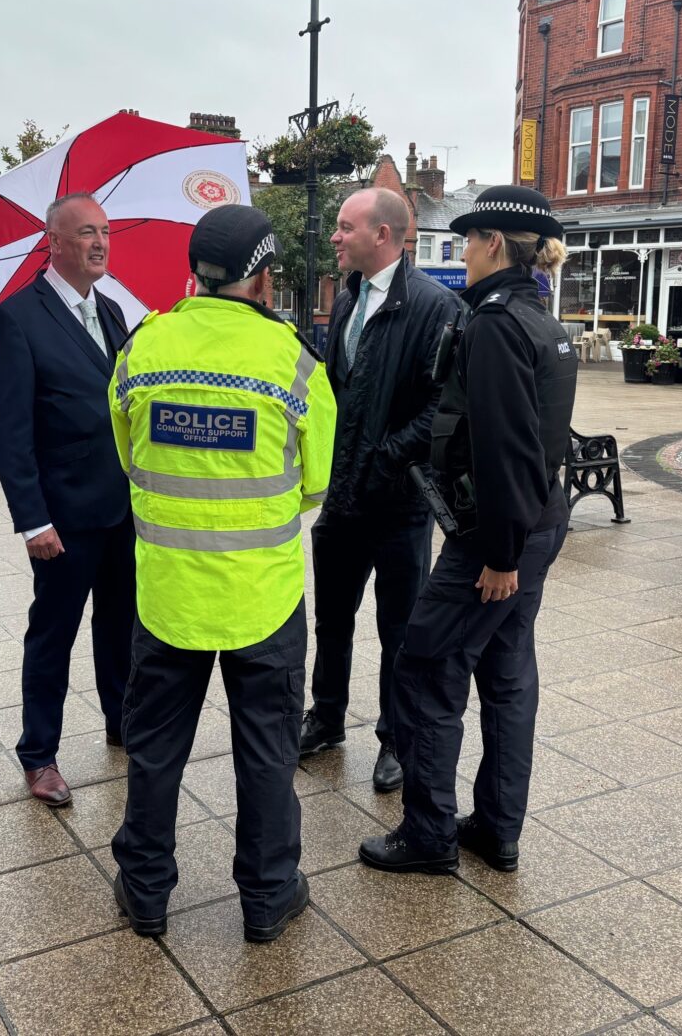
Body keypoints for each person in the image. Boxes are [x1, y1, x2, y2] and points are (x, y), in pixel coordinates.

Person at [109, 204, 336, 943]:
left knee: (153, 752)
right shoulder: (293, 361)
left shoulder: (143, 347)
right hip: (260, 600)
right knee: (267, 754)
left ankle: (145, 893)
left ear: (195, 273)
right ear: (265, 278)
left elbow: (127, 455)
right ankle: (268, 897)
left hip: (167, 595)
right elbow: (314, 483)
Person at [359, 185, 576, 875]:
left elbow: (506, 446)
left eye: (466, 240)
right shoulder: (541, 319)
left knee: (425, 668)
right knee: (508, 675)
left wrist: (498, 553)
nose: (461, 252)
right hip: (537, 522)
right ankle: (497, 827)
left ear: (490, 243)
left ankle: (428, 836)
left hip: (498, 537)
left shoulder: (494, 326)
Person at [298, 188, 465, 793]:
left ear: (385, 236)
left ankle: (397, 737)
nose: (335, 237)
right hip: (344, 499)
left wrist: (384, 457)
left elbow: (443, 406)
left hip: (397, 503)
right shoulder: (347, 300)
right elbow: (341, 392)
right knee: (333, 618)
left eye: (346, 227)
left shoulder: (435, 306)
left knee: (400, 628)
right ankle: (326, 717)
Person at [0, 193, 135, 808]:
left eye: (104, 232)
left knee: (121, 628)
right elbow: (10, 434)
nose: (99, 243)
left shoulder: (117, 312)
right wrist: (32, 521)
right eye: (84, 234)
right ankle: (39, 754)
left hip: (122, 509)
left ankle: (122, 722)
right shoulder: (17, 318)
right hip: (63, 518)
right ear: (54, 242)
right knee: (53, 634)